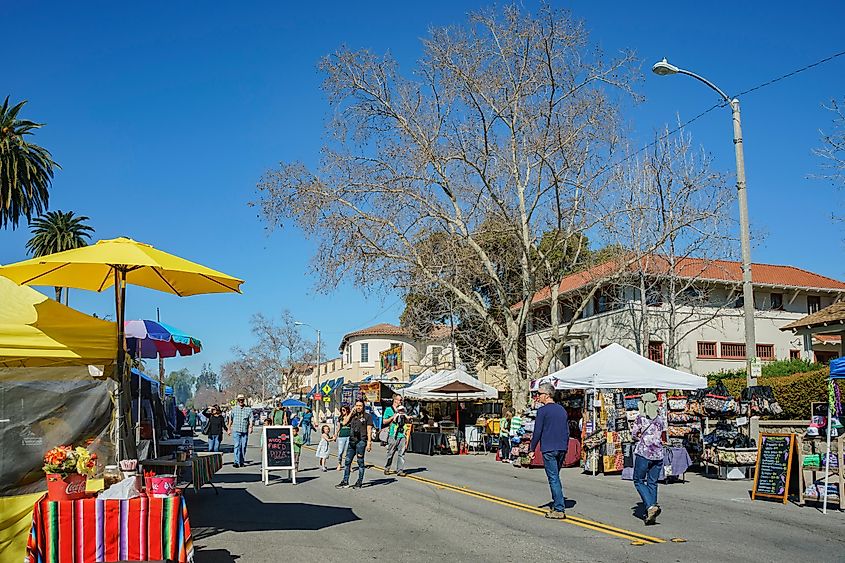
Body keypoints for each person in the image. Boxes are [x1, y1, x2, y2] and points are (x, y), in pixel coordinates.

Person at [529, 383, 569, 519]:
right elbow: (566, 431)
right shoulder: (562, 410)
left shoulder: (542, 411)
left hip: (549, 448)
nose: (537, 396)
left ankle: (559, 508)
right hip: (561, 447)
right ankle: (557, 503)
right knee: (555, 477)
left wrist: (532, 448)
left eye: (539, 394)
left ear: (547, 395)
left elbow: (537, 432)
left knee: (553, 478)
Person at [631, 392, 666, 525]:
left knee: (638, 480)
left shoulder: (640, 418)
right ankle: (651, 511)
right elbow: (662, 432)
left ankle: (650, 506)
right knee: (652, 482)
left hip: (644, 452)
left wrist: (639, 437)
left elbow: (634, 434)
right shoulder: (660, 418)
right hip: (658, 454)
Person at [336, 400, 373, 489]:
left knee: (360, 462)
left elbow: (369, 430)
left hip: (361, 441)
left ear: (363, 406)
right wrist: (351, 413)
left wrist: (369, 442)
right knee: (347, 461)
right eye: (357, 405)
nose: (358, 407)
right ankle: (345, 481)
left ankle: (359, 482)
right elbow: (344, 423)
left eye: (360, 405)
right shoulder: (352, 416)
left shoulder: (367, 416)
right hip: (352, 441)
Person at [382, 395, 408, 477]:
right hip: (393, 434)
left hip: (402, 434)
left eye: (401, 400)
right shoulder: (389, 409)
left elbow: (406, 421)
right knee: (391, 452)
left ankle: (400, 470)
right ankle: (387, 468)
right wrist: (392, 417)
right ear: (395, 400)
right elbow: (384, 421)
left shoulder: (402, 410)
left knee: (402, 453)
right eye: (399, 400)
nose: (400, 402)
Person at [227, 394, 253, 468]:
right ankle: (236, 462)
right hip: (236, 430)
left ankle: (242, 461)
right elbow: (230, 419)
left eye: (242, 400)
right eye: (239, 400)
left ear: (244, 400)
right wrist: (229, 428)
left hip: (244, 430)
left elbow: (251, 419)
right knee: (237, 445)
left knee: (243, 446)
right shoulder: (234, 409)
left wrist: (251, 427)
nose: (241, 401)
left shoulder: (248, 409)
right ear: (237, 401)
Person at [335, 405, 351, 471]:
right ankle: (339, 463)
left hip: (349, 436)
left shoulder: (351, 417)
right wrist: (335, 434)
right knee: (340, 452)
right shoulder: (340, 418)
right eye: (341, 410)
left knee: (349, 452)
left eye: (344, 410)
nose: (342, 411)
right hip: (342, 436)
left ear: (347, 410)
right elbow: (338, 427)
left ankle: (349, 466)